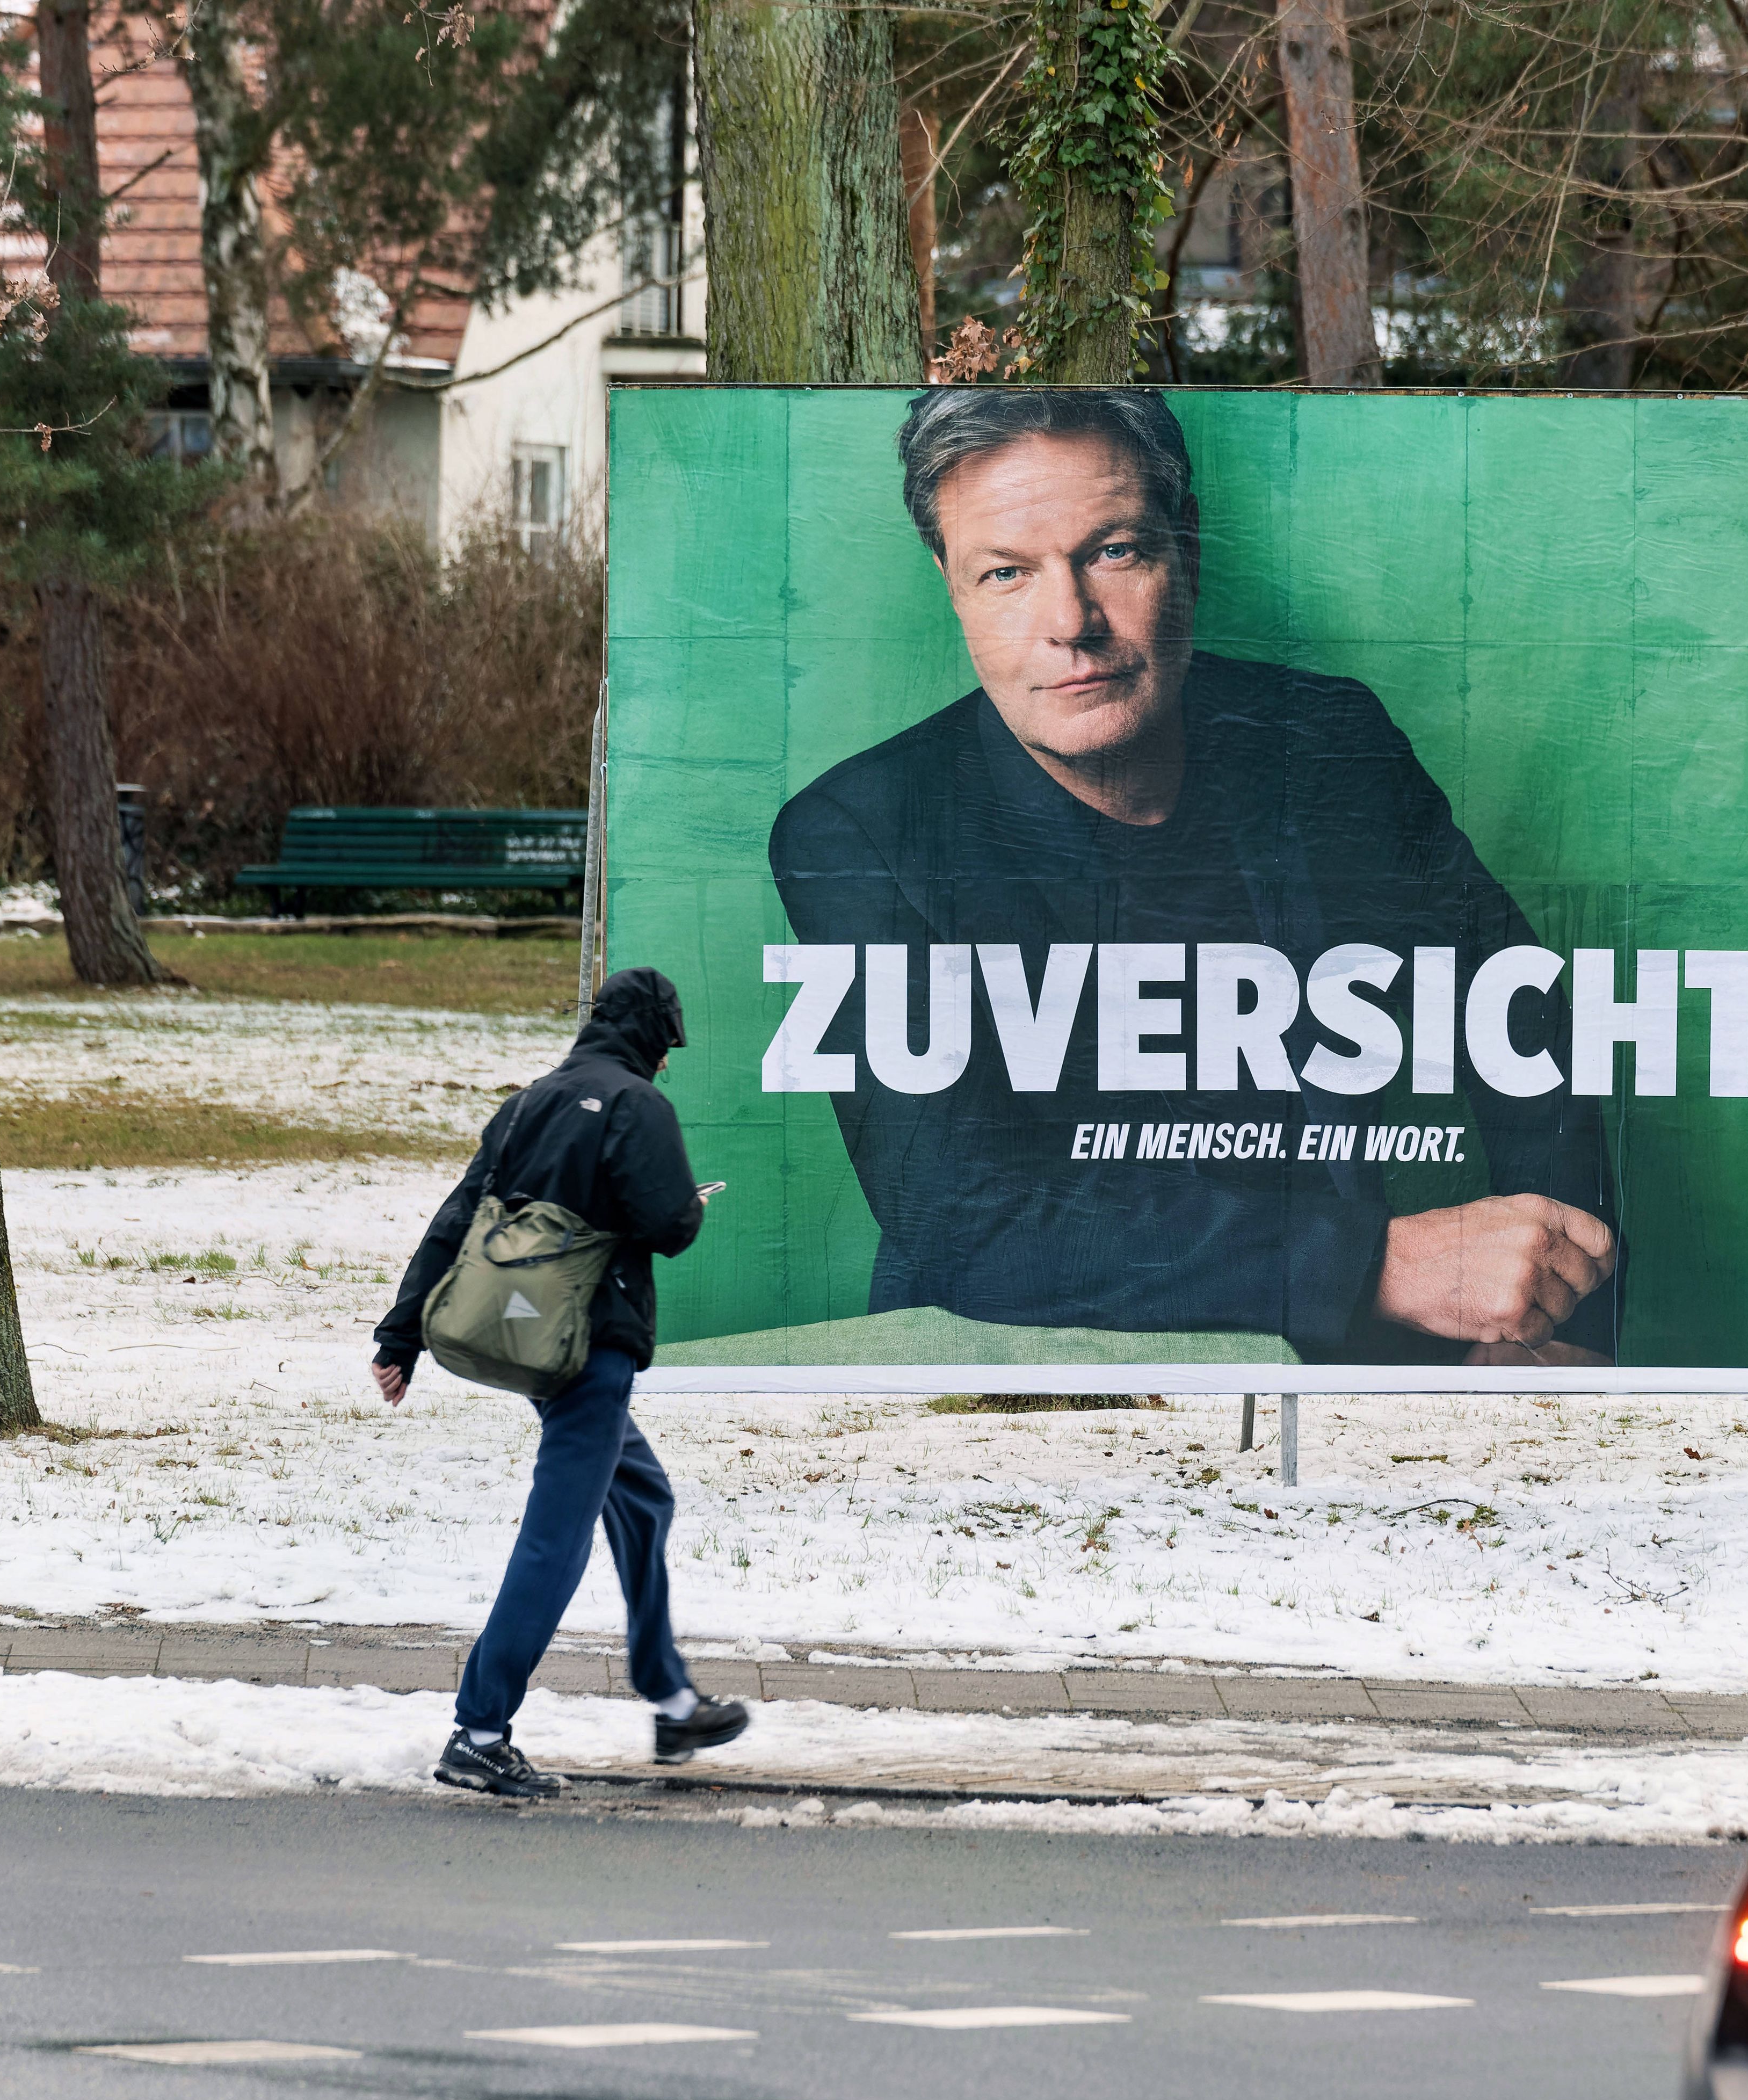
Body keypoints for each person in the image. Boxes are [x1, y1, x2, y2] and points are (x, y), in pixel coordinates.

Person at [770, 386, 1620, 1365]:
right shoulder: (859, 831)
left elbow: (1524, 1024)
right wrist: (1382, 1268)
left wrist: (1558, 1316)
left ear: (1189, 547)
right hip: (1022, 1385)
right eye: (1006, 573)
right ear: (952, 585)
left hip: (1339, 1370)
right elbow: (965, 1222)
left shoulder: (1329, 741)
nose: (1071, 622)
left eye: (1114, 552)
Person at [370, 966, 750, 1799]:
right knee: (556, 1540)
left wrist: (401, 1334)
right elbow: (669, 1227)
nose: (665, 1067)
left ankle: (673, 1698)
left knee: (643, 1499)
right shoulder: (636, 1105)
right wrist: (687, 1200)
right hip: (591, 1349)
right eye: (667, 1051)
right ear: (655, 1041)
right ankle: (478, 1731)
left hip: (533, 1346)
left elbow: (457, 1216)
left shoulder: (529, 1102)